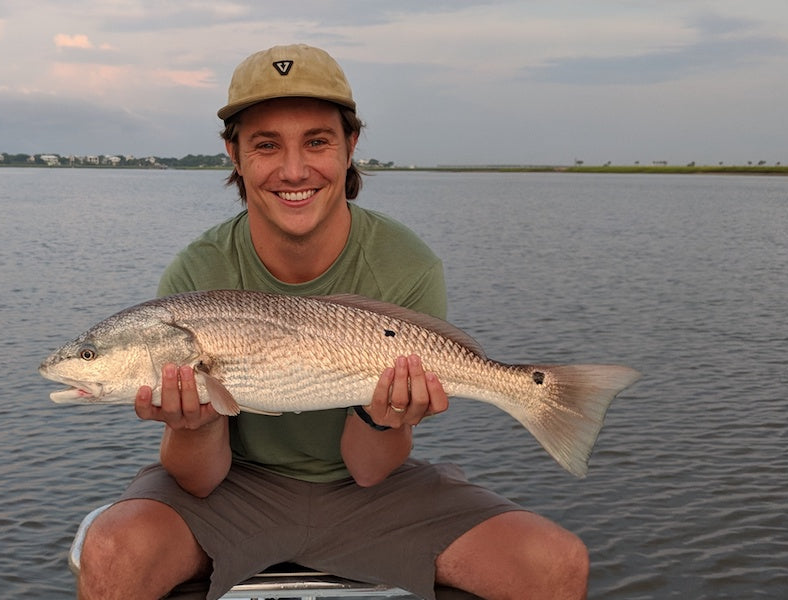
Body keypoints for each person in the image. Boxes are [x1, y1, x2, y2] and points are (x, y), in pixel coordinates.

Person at [75, 44, 589, 600]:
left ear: (351, 146)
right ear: (234, 154)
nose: (294, 170)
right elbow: (198, 478)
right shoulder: (196, 273)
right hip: (234, 488)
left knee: (555, 564)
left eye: (317, 141)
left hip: (374, 493)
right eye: (266, 145)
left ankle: (540, 396)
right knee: (112, 551)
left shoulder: (407, 264)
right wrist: (192, 423)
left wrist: (385, 419)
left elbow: (371, 470)